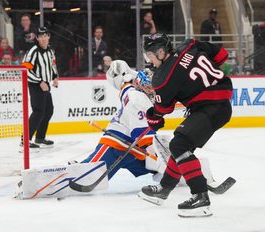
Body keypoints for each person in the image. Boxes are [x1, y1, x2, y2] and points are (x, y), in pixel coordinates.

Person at [138, 33, 232, 218]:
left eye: (149, 56)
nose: (149, 61)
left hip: (211, 107)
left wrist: (153, 117)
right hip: (220, 104)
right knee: (182, 146)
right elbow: (222, 56)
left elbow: (163, 109)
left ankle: (200, 197)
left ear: (161, 52)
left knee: (179, 145)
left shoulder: (162, 77)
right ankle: (164, 188)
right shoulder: (190, 45)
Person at [81, 60, 162, 180]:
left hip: (133, 149)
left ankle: (168, 172)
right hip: (117, 142)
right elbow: (141, 132)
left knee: (156, 166)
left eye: (152, 87)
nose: (151, 90)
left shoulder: (136, 91)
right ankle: (74, 170)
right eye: (148, 87)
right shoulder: (136, 96)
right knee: (90, 174)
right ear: (140, 85)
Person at [22, 26, 59, 149]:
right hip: (35, 84)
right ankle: (25, 139)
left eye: (45, 36)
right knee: (38, 111)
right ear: (37, 38)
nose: (43, 38)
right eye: (40, 36)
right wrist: (39, 82)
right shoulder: (33, 51)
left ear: (48, 36)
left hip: (45, 84)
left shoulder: (51, 50)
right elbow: (26, 68)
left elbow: (52, 65)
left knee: (48, 110)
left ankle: (40, 137)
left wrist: (55, 77)